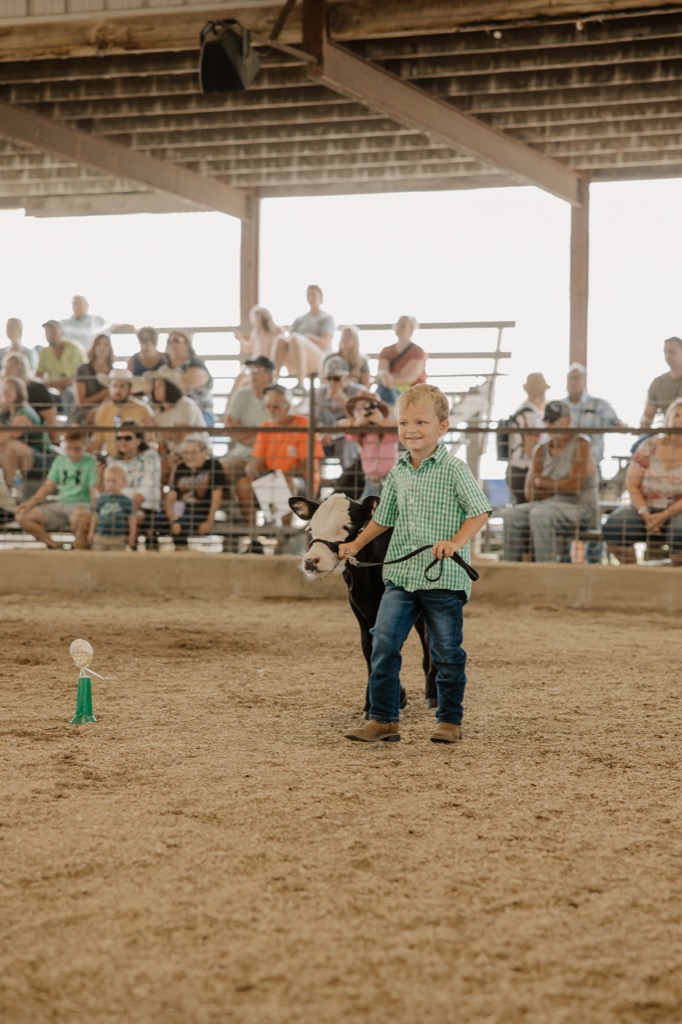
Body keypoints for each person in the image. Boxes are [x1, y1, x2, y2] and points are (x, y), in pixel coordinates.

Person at [338, 383, 492, 744]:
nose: (411, 429)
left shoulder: (454, 469)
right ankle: (383, 719)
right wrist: (356, 543)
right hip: (401, 576)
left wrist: (455, 543)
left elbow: (480, 512)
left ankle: (449, 720)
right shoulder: (398, 472)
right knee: (383, 642)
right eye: (404, 422)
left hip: (443, 579)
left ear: (442, 427)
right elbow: (384, 518)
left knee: (446, 652)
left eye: (421, 422)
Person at [503, 400, 597, 563]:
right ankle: (512, 570)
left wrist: (543, 484)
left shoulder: (581, 443)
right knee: (511, 515)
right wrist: (560, 485)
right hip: (547, 506)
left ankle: (546, 571)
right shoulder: (540, 450)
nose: (549, 424)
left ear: (568, 421)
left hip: (580, 509)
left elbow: (574, 486)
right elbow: (531, 493)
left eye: (554, 420)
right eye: (547, 420)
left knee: (540, 514)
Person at [603, 398, 682, 566]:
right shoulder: (648, 445)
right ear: (668, 418)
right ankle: (634, 573)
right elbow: (632, 484)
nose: (679, 420)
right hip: (644, 507)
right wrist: (646, 515)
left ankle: (674, 576)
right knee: (615, 526)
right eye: (676, 415)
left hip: (677, 510)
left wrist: (664, 516)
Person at [239, 384, 324, 523]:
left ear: (288, 407)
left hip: (300, 479)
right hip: (271, 476)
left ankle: (285, 531)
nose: (271, 410)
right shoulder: (266, 426)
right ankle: (253, 531)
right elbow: (259, 458)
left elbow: (308, 463)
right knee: (244, 484)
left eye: (276, 407)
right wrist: (252, 467)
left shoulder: (303, 424)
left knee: (286, 483)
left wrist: (283, 476)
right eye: (268, 406)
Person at [14, 430, 97, 549]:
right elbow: (48, 486)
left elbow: (93, 490)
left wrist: (95, 511)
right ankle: (54, 546)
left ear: (86, 446)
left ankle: (79, 551)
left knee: (80, 519)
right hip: (60, 504)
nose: (72, 453)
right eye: (68, 448)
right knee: (23, 516)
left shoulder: (91, 462)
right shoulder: (60, 460)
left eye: (77, 449)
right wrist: (29, 504)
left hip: (82, 505)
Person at [222, 355, 274, 519]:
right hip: (239, 455)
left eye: (258, 370)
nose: (253, 374)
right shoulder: (241, 395)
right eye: (251, 370)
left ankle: (252, 527)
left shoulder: (278, 396)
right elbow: (229, 428)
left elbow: (276, 435)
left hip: (269, 457)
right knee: (220, 468)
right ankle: (230, 515)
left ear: (270, 375)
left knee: (245, 483)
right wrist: (260, 436)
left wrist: (246, 434)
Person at [165, 434, 227, 547]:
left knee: (180, 526)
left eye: (194, 452)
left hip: (201, 511)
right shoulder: (181, 467)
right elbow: (172, 494)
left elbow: (217, 494)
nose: (189, 456)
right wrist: (172, 519)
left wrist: (209, 521)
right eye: (186, 453)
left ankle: (181, 554)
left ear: (205, 452)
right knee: (155, 522)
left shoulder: (214, 465)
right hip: (181, 510)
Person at [272, 284, 335, 393]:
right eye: (308, 294)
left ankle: (300, 384)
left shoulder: (326, 318)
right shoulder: (299, 320)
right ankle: (274, 381)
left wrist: (308, 338)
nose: (311, 297)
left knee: (296, 338)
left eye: (314, 294)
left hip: (320, 359)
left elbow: (325, 343)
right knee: (280, 339)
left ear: (321, 298)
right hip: (297, 359)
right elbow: (289, 338)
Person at [148, 365, 206, 482]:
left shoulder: (185, 404)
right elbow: (162, 444)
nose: (156, 390)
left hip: (194, 454)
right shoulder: (159, 411)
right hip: (172, 455)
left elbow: (179, 435)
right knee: (153, 470)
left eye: (160, 386)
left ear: (170, 387)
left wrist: (155, 427)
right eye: (155, 386)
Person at [563, 363, 623, 474]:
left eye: (576, 378)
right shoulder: (560, 406)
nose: (572, 382)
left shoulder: (600, 405)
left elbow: (618, 425)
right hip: (563, 465)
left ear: (584, 380)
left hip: (591, 464)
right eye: (570, 378)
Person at [341, 391, 398, 500]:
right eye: (358, 409)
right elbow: (341, 425)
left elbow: (402, 426)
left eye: (367, 407)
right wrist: (357, 423)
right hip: (371, 480)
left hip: (391, 479)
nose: (363, 412)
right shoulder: (360, 433)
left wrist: (381, 421)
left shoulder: (388, 431)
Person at [505, 371, 551, 504]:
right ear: (541, 392)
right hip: (524, 470)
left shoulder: (527, 414)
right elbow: (529, 448)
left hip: (520, 468)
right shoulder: (529, 416)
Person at [0, 375, 53, 490]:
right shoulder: (5, 413)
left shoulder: (25, 413)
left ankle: (11, 489)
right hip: (22, 457)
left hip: (41, 458)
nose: (5, 392)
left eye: (10, 389)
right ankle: (9, 489)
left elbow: (9, 436)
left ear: (19, 392)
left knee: (9, 446)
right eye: (4, 389)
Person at [108, 419, 162, 528]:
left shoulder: (150, 456)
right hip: (117, 506)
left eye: (127, 438)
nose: (122, 441)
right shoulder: (113, 460)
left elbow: (148, 484)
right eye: (119, 438)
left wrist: (129, 508)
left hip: (144, 506)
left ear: (139, 440)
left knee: (129, 518)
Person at [90, 368, 155, 455]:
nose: (117, 390)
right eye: (114, 386)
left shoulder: (142, 409)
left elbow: (149, 440)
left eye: (122, 386)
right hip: (111, 458)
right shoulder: (103, 410)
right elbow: (98, 441)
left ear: (129, 388)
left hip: (137, 458)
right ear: (109, 388)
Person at [1, 351, 59, 445]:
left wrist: (55, 443)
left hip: (33, 437)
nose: (7, 372)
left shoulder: (36, 388)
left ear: (21, 369)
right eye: (5, 368)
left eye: (11, 368)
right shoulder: (4, 391)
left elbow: (51, 420)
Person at [315, 357, 363, 468]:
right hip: (325, 436)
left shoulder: (359, 392)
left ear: (347, 378)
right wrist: (322, 435)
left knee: (348, 444)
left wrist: (344, 402)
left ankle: (348, 477)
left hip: (348, 437)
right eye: (329, 378)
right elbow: (315, 419)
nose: (332, 382)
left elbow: (359, 421)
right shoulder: (320, 393)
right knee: (311, 442)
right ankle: (314, 477)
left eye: (336, 378)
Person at [35, 319, 87, 419]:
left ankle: (70, 425)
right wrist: (39, 386)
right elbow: (38, 375)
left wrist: (48, 384)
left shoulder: (74, 348)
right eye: (47, 332)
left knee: (68, 393)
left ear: (61, 333)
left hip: (74, 389)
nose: (50, 335)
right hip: (54, 391)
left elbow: (75, 379)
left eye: (53, 332)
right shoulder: (44, 352)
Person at [374, 314, 427, 404]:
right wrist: (388, 377)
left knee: (384, 392)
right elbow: (382, 372)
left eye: (403, 326)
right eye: (397, 325)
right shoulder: (386, 350)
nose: (398, 328)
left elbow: (408, 378)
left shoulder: (418, 352)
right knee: (384, 390)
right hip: (389, 389)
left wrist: (388, 378)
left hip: (411, 394)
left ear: (411, 330)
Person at [164, 330, 214, 425]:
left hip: (201, 413)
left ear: (187, 345)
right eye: (169, 342)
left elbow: (186, 381)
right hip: (171, 414)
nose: (172, 344)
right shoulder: (164, 368)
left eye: (176, 340)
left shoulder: (196, 364)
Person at [87, 462, 137, 551]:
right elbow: (95, 516)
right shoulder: (101, 499)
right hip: (100, 537)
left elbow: (132, 519)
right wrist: (91, 532)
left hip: (118, 538)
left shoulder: (126, 501)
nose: (110, 484)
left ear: (124, 482)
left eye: (114, 481)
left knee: (116, 558)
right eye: (107, 481)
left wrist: (132, 535)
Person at [640, 336, 682, 428]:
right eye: (665, 352)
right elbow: (647, 416)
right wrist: (645, 422)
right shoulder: (657, 383)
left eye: (672, 351)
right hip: (667, 432)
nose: (668, 356)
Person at [73, 333, 115, 425]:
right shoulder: (83, 369)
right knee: (99, 414)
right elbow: (81, 403)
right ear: (94, 347)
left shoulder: (114, 372)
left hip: (108, 410)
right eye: (98, 344)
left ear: (110, 349)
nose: (102, 347)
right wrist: (103, 394)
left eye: (106, 345)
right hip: (85, 411)